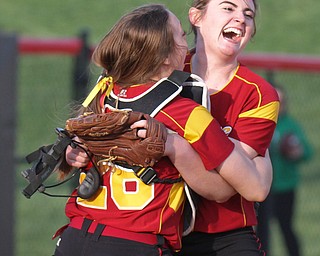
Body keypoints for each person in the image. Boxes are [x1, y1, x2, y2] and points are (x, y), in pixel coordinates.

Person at [54, 4, 266, 256]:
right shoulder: (185, 111)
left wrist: (72, 152)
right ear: (166, 56)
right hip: (134, 243)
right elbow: (223, 190)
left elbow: (77, 146)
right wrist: (178, 147)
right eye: (180, 35)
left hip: (75, 237)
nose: (185, 42)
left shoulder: (104, 92)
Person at [174, 0, 279, 255]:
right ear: (196, 17)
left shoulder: (259, 94)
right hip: (161, 227)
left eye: (248, 14)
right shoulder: (166, 72)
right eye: (228, 8)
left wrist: (173, 142)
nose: (241, 19)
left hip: (226, 235)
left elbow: (232, 180)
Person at [257, 86, 313, 256]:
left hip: (285, 186)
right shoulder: (259, 123)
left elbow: (308, 152)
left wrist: (297, 152)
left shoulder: (290, 125)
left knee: (286, 226)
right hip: (262, 188)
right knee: (262, 230)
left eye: (282, 103)